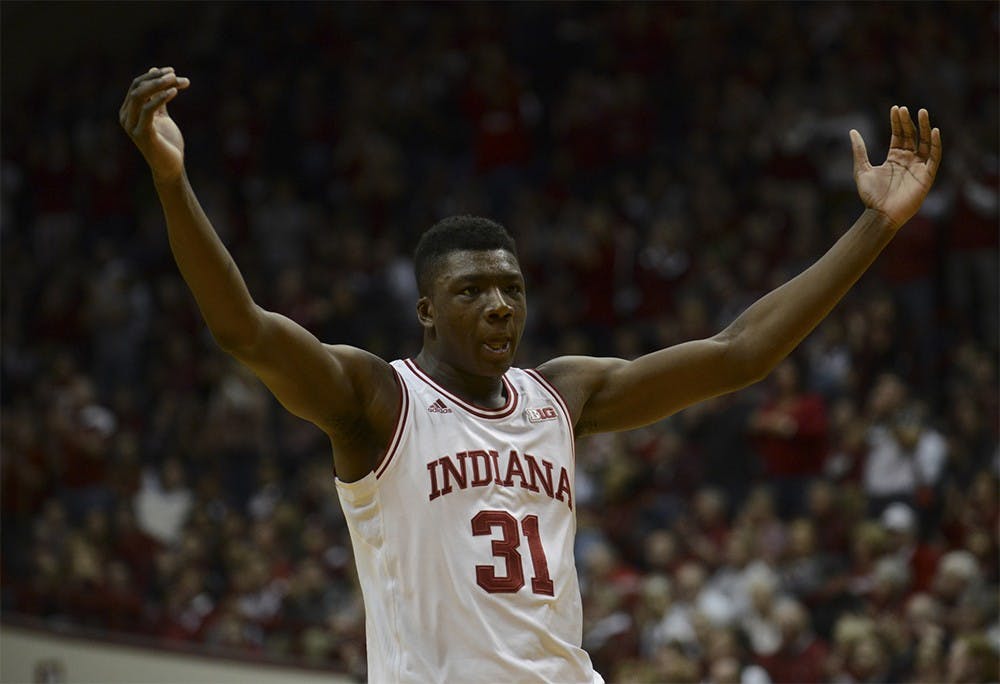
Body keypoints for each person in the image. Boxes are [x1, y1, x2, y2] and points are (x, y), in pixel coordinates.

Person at [119, 65, 941, 683]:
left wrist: (873, 229)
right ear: (427, 312)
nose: (499, 306)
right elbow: (244, 329)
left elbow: (740, 354)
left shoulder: (563, 394)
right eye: (471, 291)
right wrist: (172, 180)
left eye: (511, 288)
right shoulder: (378, 401)